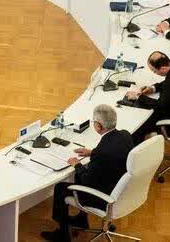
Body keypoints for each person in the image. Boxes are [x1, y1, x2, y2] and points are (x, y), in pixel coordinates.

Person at [41, 104, 132, 242]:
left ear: (98, 126)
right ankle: (81, 220)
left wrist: (76, 164)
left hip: (104, 197)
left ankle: (62, 235)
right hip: (120, 186)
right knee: (80, 173)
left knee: (60, 188)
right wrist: (92, 152)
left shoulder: (102, 152)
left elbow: (87, 180)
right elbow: (111, 152)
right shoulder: (125, 135)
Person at [127, 51, 170, 145]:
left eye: (154, 71)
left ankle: (134, 147)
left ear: (163, 69)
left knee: (140, 125)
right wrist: (153, 88)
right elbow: (169, 82)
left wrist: (138, 97)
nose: (155, 73)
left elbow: (159, 106)